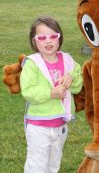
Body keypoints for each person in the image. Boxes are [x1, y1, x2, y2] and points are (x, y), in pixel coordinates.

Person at [20, 15, 83, 173]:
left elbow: (77, 83)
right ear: (34, 41)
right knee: (37, 164)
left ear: (59, 38)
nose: (48, 41)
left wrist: (71, 76)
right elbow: (28, 91)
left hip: (60, 125)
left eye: (53, 36)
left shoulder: (67, 60)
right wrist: (50, 93)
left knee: (53, 164)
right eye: (42, 37)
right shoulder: (32, 64)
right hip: (38, 125)